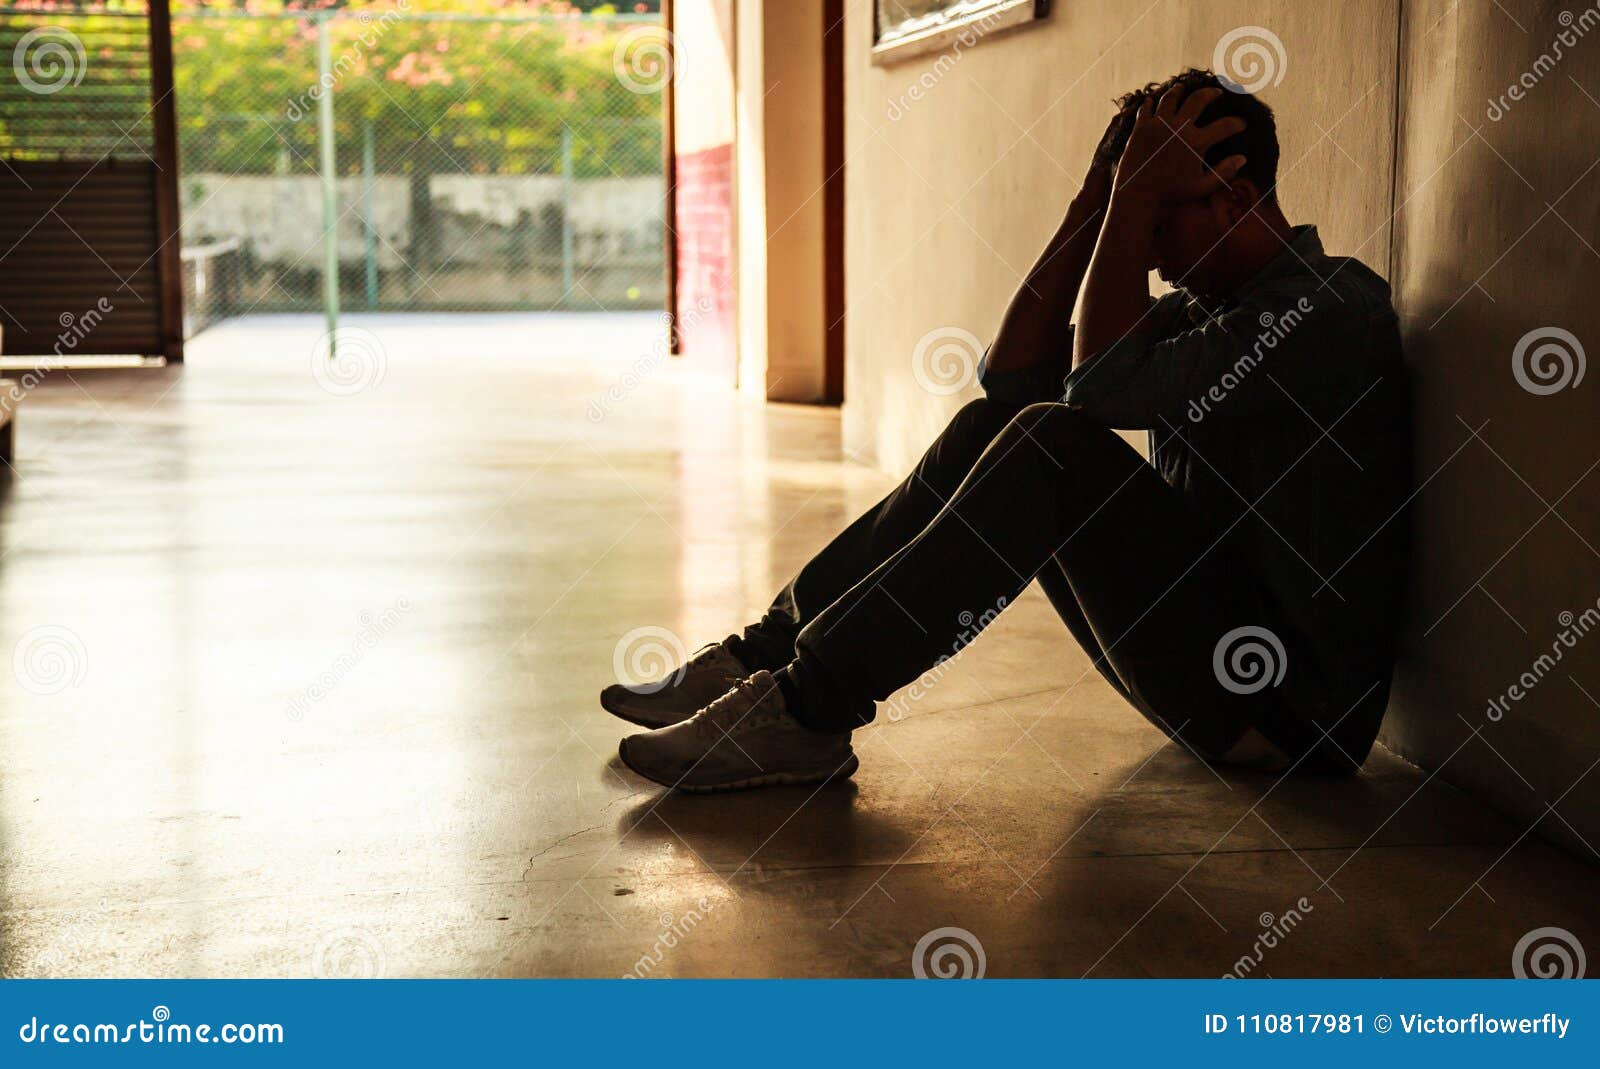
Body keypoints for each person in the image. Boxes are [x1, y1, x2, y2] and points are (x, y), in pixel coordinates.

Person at [603, 68, 1411, 794]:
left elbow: (1096, 389)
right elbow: (1013, 378)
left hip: (1294, 713)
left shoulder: (1328, 309)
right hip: (1214, 667)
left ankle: (806, 712)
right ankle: (765, 657)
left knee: (1052, 444)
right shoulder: (1208, 313)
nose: (1150, 257)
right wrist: (1094, 205)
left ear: (1232, 197)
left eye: (1159, 223)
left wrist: (1130, 202)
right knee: (999, 422)